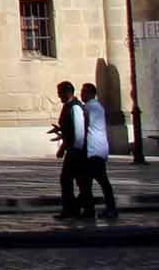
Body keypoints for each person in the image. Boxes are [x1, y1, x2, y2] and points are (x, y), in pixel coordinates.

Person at [52, 79, 92, 220]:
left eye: (60, 93)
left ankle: (73, 209)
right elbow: (69, 129)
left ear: (67, 93)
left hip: (77, 151)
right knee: (78, 181)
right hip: (73, 149)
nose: (59, 96)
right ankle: (81, 209)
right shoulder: (68, 106)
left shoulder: (75, 107)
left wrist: (72, 150)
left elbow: (79, 131)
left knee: (70, 180)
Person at [80, 82, 117, 218]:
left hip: (93, 149)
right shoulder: (97, 106)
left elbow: (83, 127)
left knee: (98, 180)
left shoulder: (89, 107)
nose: (81, 94)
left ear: (90, 93)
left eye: (84, 92)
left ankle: (108, 208)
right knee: (89, 180)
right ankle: (90, 208)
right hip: (99, 148)